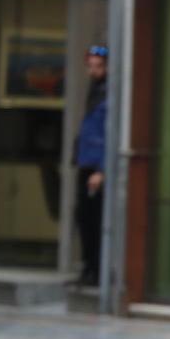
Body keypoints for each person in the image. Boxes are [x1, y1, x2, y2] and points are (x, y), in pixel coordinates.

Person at [73, 45, 108, 286]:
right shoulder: (94, 90)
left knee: (94, 221)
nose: (93, 70)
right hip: (86, 162)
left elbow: (110, 134)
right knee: (84, 219)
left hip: (96, 167)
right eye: (90, 66)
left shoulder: (107, 92)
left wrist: (101, 170)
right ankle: (88, 267)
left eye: (98, 66)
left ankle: (95, 270)